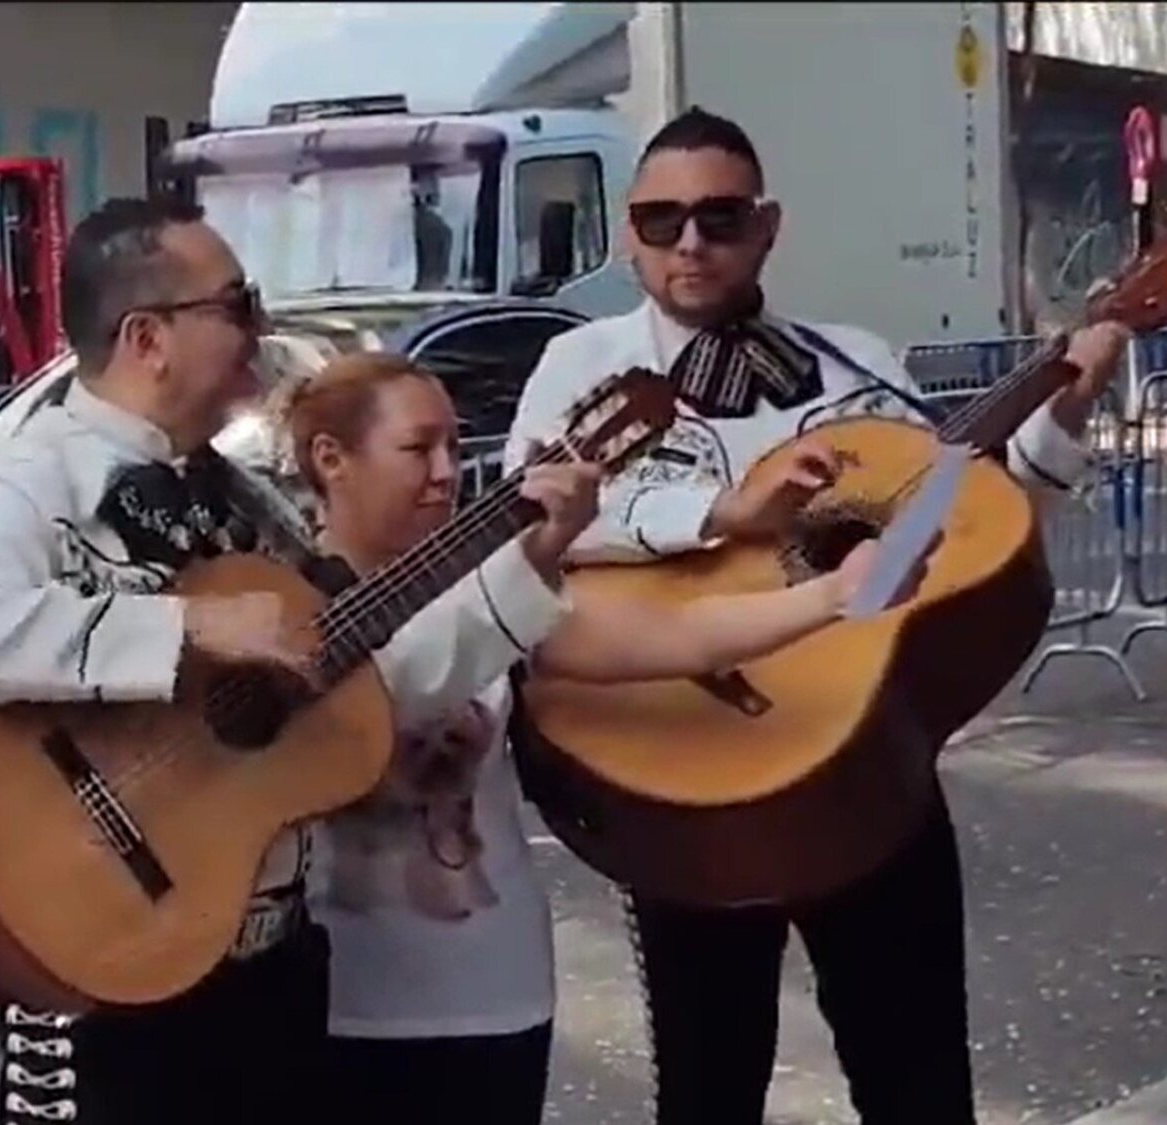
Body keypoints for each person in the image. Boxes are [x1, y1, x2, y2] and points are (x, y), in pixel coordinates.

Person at [0, 197, 607, 1125]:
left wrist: (529, 563)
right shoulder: (36, 481)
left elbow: (361, 688)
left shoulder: (243, 496)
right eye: (236, 304)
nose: (260, 327)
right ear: (147, 337)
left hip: (266, 965)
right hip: (109, 959)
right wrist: (188, 631)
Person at [504, 107, 1133, 1125]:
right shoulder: (582, 373)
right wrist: (720, 511)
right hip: (690, 761)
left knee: (921, 1085)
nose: (691, 244)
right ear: (628, 234)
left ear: (767, 226)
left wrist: (1062, 410)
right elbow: (529, 535)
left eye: (718, 217)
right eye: (661, 222)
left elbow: (960, 524)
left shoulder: (852, 364)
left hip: (864, 764)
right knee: (711, 1091)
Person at [283, 351, 926, 1125]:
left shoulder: (488, 584)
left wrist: (832, 593)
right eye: (418, 449)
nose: (449, 471)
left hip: (492, 988)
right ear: (332, 460)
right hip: (335, 996)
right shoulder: (272, 598)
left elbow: (674, 634)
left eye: (457, 444)